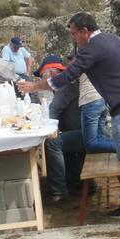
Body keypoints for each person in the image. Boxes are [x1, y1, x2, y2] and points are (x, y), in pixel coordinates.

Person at [17, 13, 120, 217]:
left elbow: (68, 75)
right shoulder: (116, 39)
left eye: (74, 34)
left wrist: (34, 86)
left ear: (85, 31)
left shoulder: (91, 48)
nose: (73, 38)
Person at [36, 56, 87, 202]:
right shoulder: (70, 84)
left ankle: (58, 191)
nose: (42, 80)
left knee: (52, 143)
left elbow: (52, 113)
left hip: (86, 133)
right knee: (61, 140)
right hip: (85, 130)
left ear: (51, 74)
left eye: (42, 76)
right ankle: (76, 182)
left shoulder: (65, 87)